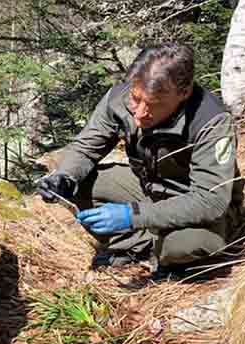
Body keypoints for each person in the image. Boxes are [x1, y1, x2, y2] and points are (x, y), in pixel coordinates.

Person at [38, 44, 244, 277]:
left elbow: (210, 201)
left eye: (154, 105)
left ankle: (170, 252)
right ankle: (142, 247)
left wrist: (132, 216)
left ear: (184, 93)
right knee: (79, 184)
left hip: (195, 205)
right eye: (136, 99)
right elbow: (86, 147)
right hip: (149, 189)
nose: (139, 114)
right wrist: (63, 177)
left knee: (185, 245)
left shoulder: (211, 121)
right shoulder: (118, 98)